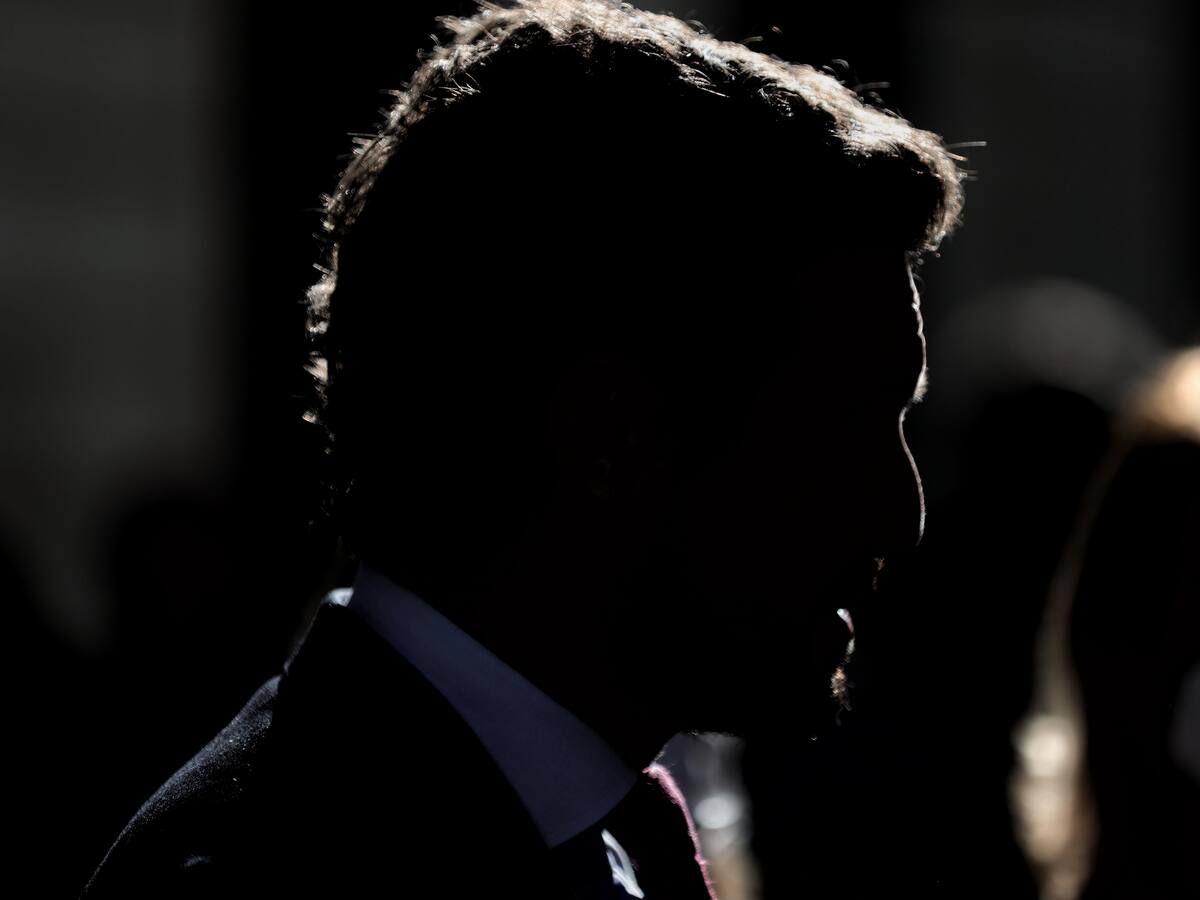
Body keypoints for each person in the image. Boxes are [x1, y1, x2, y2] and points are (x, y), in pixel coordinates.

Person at [83, 1, 963, 896]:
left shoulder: (582, 827)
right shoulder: (271, 869)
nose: (903, 516)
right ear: (608, 432)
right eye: (840, 425)